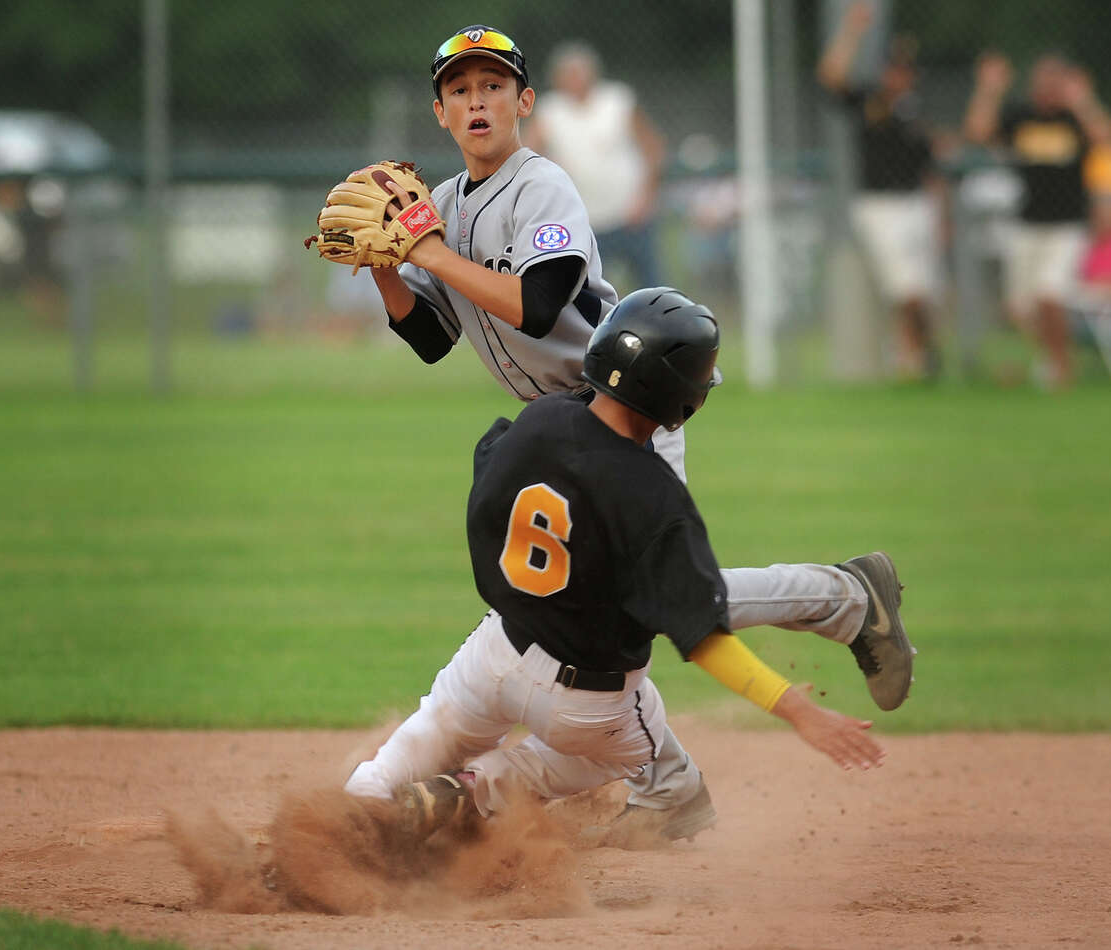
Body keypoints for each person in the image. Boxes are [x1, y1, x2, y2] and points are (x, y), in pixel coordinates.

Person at [339, 24, 913, 845]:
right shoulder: (449, 205)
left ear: (524, 103)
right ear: (439, 111)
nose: (478, 101)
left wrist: (425, 246)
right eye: (461, 90)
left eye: (494, 86)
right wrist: (390, 270)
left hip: (620, 404)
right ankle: (677, 778)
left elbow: (538, 304)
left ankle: (842, 598)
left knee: (647, 590)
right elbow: (433, 337)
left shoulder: (543, 189)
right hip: (552, 426)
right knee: (598, 601)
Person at [344, 288, 902, 839]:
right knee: (635, 748)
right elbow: (704, 637)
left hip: (492, 657)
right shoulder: (655, 500)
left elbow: (489, 473)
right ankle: (471, 791)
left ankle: (344, 825)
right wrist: (796, 711)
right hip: (584, 702)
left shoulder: (540, 422)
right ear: (685, 401)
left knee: (408, 752)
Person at [965, 53, 1111, 387]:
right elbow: (977, 132)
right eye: (1042, 81)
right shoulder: (1021, 116)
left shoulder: (1073, 118)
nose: (1048, 89)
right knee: (1020, 308)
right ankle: (1052, 358)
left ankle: (1061, 370)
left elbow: (1108, 138)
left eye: (1055, 82)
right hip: (1027, 221)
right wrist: (989, 90)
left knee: (1051, 294)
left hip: (1067, 224)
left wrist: (1084, 100)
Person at [817, 1, 941, 379]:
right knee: (906, 288)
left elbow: (930, 166)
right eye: (894, 68)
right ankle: (915, 356)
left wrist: (941, 213)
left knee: (920, 288)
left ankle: (916, 357)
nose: (899, 76)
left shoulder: (916, 112)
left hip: (917, 203)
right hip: (880, 203)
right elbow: (830, 76)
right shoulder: (870, 100)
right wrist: (852, 31)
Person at [525, 40, 666, 289]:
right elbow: (526, 154)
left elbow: (653, 149)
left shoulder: (617, 101)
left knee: (652, 286)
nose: (575, 79)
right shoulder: (550, 111)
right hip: (583, 220)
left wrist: (646, 198)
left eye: (579, 72)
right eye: (568, 74)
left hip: (630, 214)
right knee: (591, 292)